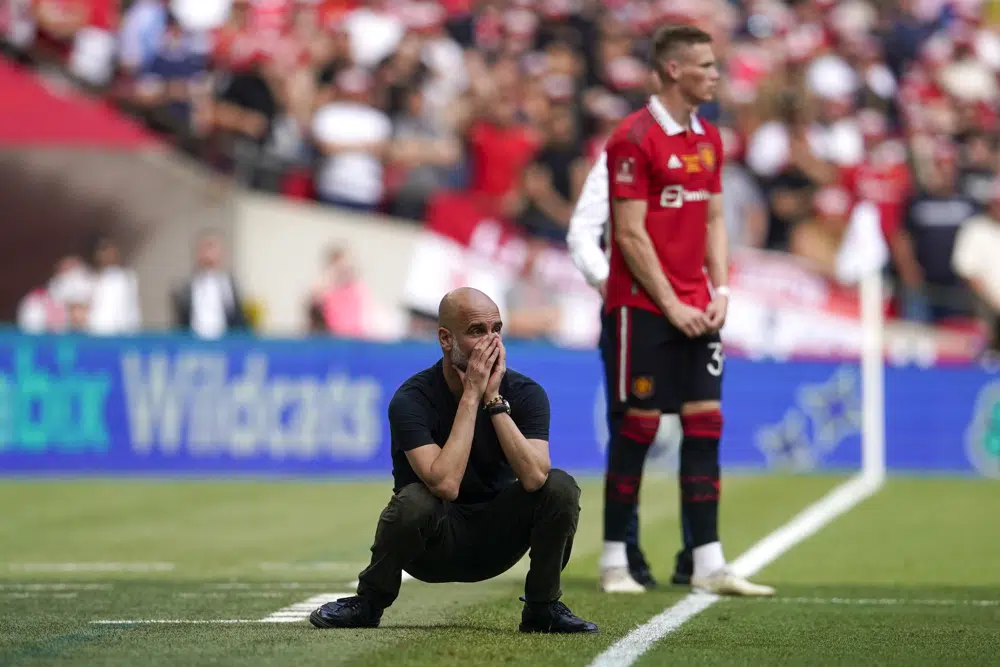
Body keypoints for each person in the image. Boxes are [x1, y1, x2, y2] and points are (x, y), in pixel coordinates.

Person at [596, 24, 774, 596]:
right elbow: (628, 233)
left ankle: (708, 565)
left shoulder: (709, 137)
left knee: (706, 426)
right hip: (642, 308)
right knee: (639, 429)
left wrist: (721, 292)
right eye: (706, 65)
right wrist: (671, 304)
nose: (717, 74)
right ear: (674, 70)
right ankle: (614, 562)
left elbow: (717, 220)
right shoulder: (633, 137)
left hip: (698, 307)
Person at [310, 287, 598, 633]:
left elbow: (536, 477)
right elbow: (444, 483)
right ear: (446, 340)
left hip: (497, 540)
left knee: (560, 486)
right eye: (478, 331)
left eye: (497, 330)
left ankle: (543, 607)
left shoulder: (525, 394)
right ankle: (368, 603)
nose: (491, 342)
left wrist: (492, 401)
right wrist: (472, 396)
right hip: (430, 545)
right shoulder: (411, 400)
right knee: (416, 500)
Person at [567, 148, 690, 591]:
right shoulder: (619, 157)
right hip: (632, 309)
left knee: (698, 418)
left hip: (688, 303)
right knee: (631, 427)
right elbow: (583, 231)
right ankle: (626, 548)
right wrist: (607, 281)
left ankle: (696, 551)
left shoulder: (701, 151)